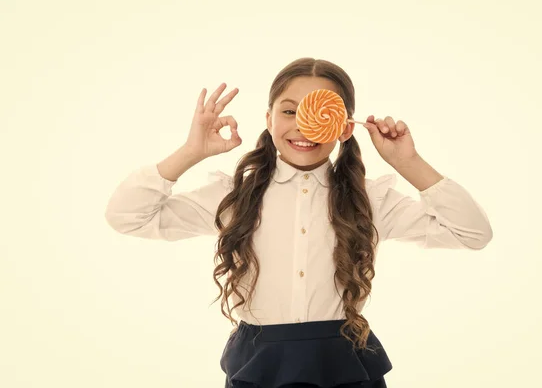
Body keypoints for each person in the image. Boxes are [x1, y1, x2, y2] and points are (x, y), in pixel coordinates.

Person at [104, 57, 493, 387]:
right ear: (269, 118)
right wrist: (191, 151)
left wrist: (408, 163)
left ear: (343, 126)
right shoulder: (231, 197)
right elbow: (127, 217)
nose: (305, 126)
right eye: (290, 111)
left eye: (323, 113)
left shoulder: (371, 199)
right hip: (257, 366)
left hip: (346, 363)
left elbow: (473, 233)